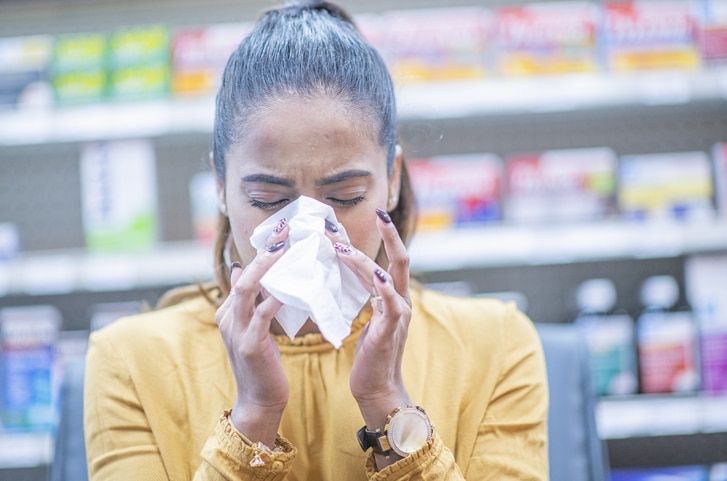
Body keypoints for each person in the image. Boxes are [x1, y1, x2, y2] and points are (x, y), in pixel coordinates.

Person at [83, 1, 549, 480]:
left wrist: (388, 404)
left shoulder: (496, 346)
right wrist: (254, 416)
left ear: (391, 178)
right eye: (267, 199)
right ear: (220, 186)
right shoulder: (131, 362)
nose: (309, 230)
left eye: (345, 196)